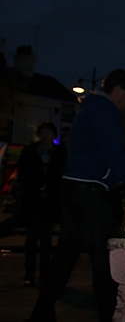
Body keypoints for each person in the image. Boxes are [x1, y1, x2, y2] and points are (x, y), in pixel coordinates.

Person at [28, 69, 125, 322]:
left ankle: (41, 313)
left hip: (72, 188)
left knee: (65, 257)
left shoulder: (89, 109)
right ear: (118, 90)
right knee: (103, 261)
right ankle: (108, 315)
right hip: (91, 193)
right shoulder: (105, 111)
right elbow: (116, 157)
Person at [16, 121, 67, 287]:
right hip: (33, 202)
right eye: (43, 132)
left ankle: (45, 275)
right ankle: (29, 273)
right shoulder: (30, 151)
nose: (45, 136)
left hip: (50, 203)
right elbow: (23, 174)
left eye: (48, 133)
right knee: (31, 239)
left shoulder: (59, 152)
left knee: (46, 240)